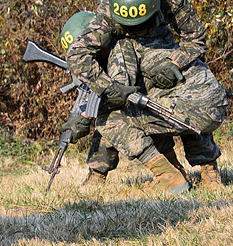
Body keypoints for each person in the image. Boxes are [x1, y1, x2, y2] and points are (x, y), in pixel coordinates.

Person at [66, 0, 227, 194]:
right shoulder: (107, 16)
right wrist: (108, 87)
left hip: (165, 55)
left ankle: (194, 170)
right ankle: (173, 170)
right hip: (132, 61)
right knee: (143, 105)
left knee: (183, 93)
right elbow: (77, 54)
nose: (135, 30)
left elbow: (196, 37)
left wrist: (175, 63)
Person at [57, 11, 186, 187]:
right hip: (146, 106)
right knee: (105, 118)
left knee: (108, 120)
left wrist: (86, 116)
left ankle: (172, 171)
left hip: (157, 104)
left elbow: (119, 94)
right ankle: (96, 175)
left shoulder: (121, 50)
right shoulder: (99, 62)